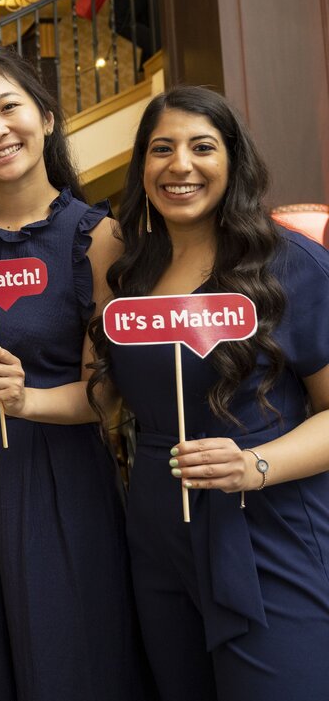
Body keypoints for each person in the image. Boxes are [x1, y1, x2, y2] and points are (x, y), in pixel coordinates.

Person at [0, 47, 153, 701]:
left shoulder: (97, 237)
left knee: (64, 643)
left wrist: (30, 401)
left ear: (46, 119)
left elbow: (109, 391)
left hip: (55, 464)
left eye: (9, 107)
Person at [89, 86, 329, 701]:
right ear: (142, 165)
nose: (181, 165)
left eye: (202, 147)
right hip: (158, 527)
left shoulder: (291, 265)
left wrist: (254, 465)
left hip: (265, 525)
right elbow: (108, 396)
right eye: (161, 149)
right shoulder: (129, 271)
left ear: (233, 161)